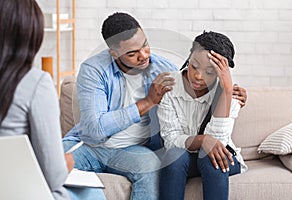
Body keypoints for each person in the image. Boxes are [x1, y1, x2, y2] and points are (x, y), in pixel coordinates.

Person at [62, 12, 247, 200]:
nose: (143, 56)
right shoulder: (94, 70)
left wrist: (228, 92)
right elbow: (94, 130)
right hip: (89, 146)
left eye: (145, 46)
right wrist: (147, 102)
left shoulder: (162, 69)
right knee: (45, 165)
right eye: (132, 53)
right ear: (114, 53)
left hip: (133, 149)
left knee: (153, 168)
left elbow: (194, 81)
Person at [0, 0, 105, 199]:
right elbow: (54, 177)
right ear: (29, 32)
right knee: (93, 194)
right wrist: (66, 163)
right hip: (22, 193)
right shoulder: (35, 82)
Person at [157, 31, 248, 200]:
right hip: (185, 158)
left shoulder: (231, 94)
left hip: (222, 157)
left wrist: (226, 91)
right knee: (173, 157)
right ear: (189, 58)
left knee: (212, 160)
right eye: (194, 66)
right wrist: (202, 140)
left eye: (210, 72)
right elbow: (171, 139)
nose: (198, 76)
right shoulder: (169, 86)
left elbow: (217, 144)